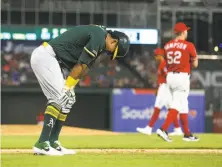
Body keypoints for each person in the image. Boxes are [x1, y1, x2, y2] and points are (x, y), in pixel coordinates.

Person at [30, 25, 130, 155]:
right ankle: (42, 143)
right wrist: (66, 87)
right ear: (114, 41)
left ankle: (53, 141)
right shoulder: (100, 36)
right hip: (46, 56)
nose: (110, 53)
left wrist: (70, 86)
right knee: (59, 97)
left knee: (68, 99)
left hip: (54, 61)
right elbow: (80, 65)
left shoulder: (100, 42)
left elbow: (84, 68)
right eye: (113, 51)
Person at [156, 22, 199, 142]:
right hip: (182, 77)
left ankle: (187, 133)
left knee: (183, 104)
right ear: (183, 32)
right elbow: (195, 64)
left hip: (170, 76)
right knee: (177, 104)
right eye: (186, 31)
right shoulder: (189, 45)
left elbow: (166, 62)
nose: (187, 32)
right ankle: (163, 129)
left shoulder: (167, 45)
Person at [136, 48, 182, 135]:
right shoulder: (163, 63)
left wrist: (165, 89)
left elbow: (168, 76)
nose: (155, 57)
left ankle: (149, 128)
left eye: (156, 55)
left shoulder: (164, 64)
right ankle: (178, 129)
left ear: (160, 55)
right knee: (170, 108)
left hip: (165, 88)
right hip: (164, 87)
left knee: (157, 107)